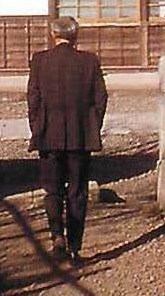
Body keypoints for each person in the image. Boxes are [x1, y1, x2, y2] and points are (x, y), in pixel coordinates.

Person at [27, 16, 108, 266]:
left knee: (52, 190)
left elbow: (33, 98)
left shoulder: (40, 61)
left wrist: (38, 127)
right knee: (77, 192)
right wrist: (92, 125)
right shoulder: (89, 61)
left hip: (49, 135)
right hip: (81, 136)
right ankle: (75, 247)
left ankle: (56, 237)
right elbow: (101, 98)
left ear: (54, 35)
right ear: (76, 36)